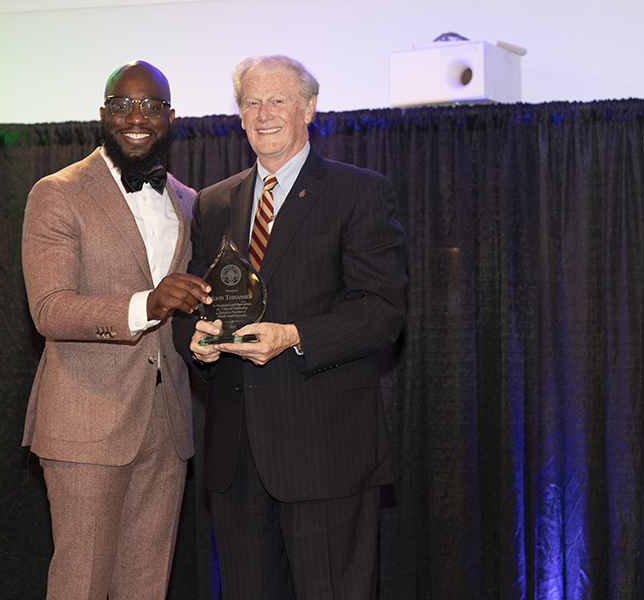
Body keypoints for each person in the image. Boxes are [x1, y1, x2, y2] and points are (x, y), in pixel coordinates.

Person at [173, 55, 408, 599]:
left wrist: (293, 336)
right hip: (236, 457)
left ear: (309, 107)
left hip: (325, 453)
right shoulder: (213, 203)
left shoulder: (358, 192)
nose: (264, 113)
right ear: (238, 115)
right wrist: (197, 343)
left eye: (278, 100)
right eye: (251, 102)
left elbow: (381, 311)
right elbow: (196, 302)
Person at [21, 60, 211, 600]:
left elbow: (190, 310)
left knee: (147, 586)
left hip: (167, 422)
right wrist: (146, 304)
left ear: (170, 117)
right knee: (81, 584)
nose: (137, 117)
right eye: (123, 105)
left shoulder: (190, 201)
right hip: (85, 418)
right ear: (102, 114)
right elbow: (51, 310)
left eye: (151, 106)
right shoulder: (57, 193)